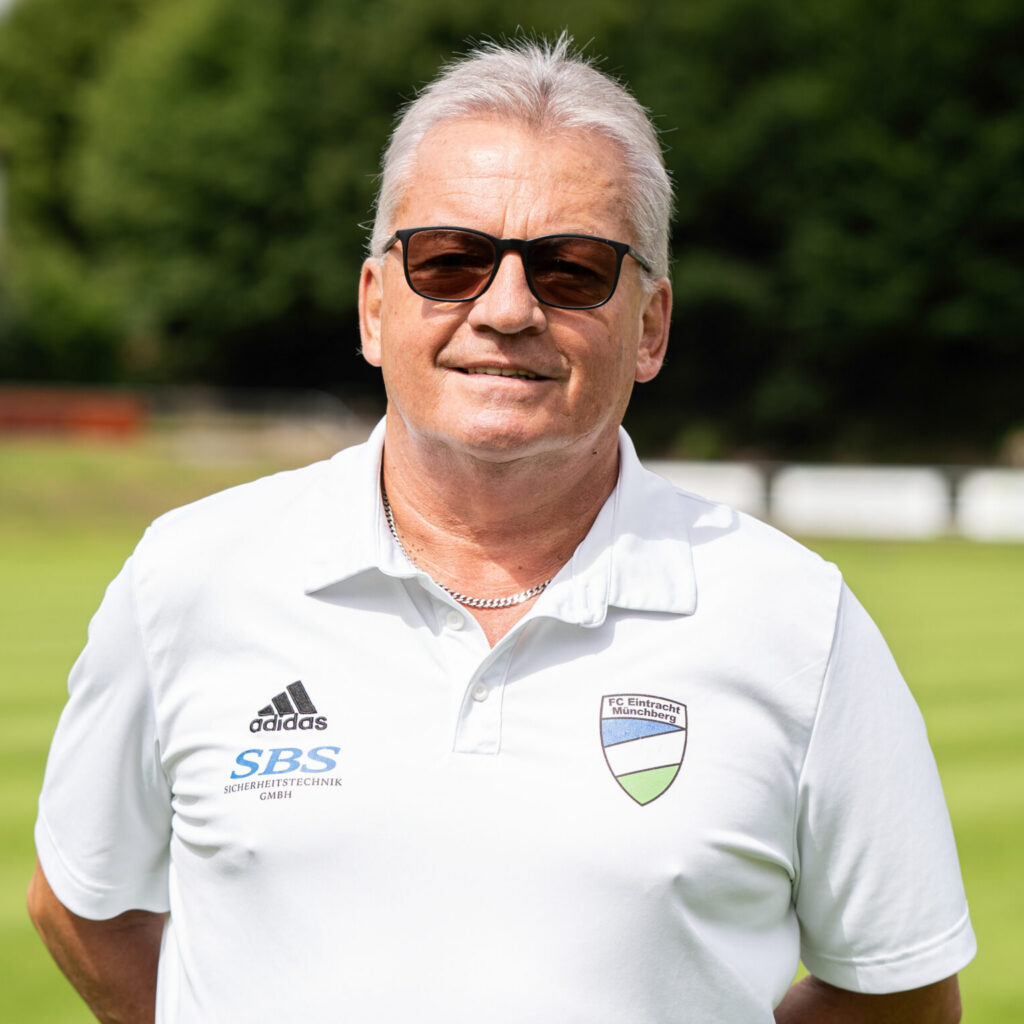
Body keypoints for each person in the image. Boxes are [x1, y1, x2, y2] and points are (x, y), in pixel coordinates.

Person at [28, 35, 975, 1024]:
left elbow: (899, 994)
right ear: (373, 306)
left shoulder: (799, 623)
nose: (507, 308)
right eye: (450, 261)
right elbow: (80, 906)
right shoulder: (190, 577)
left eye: (572, 270)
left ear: (650, 326)